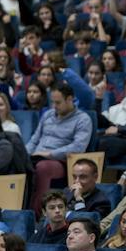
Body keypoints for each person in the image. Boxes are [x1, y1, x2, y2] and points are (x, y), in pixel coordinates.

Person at [25, 82, 93, 213]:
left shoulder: (82, 119)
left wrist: (50, 154)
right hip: (37, 156)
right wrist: (25, 155)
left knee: (43, 167)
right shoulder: (48, 115)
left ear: (69, 99)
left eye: (58, 102)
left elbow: (78, 147)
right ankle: (17, 209)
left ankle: (37, 213)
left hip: (60, 161)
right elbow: (34, 139)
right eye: (52, 102)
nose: (54, 106)